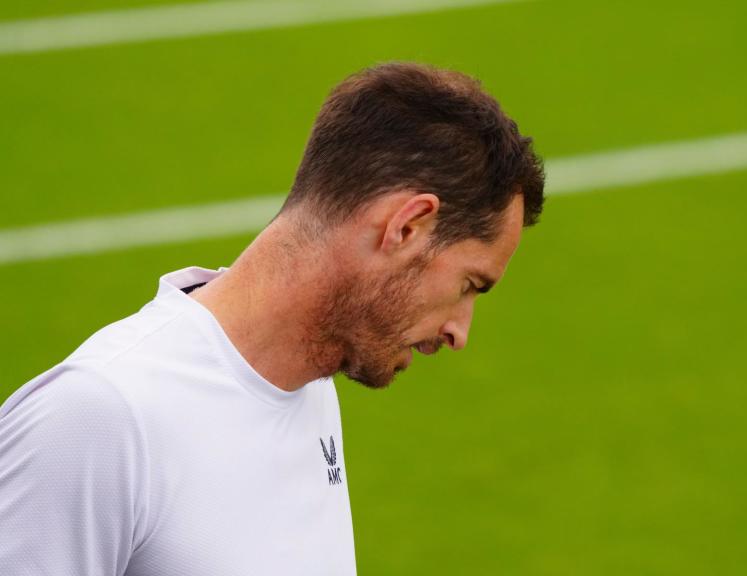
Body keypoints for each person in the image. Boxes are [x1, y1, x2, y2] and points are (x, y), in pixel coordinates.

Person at [0, 62, 545, 575]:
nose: (459, 333)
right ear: (407, 227)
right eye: (469, 285)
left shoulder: (308, 385)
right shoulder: (96, 419)